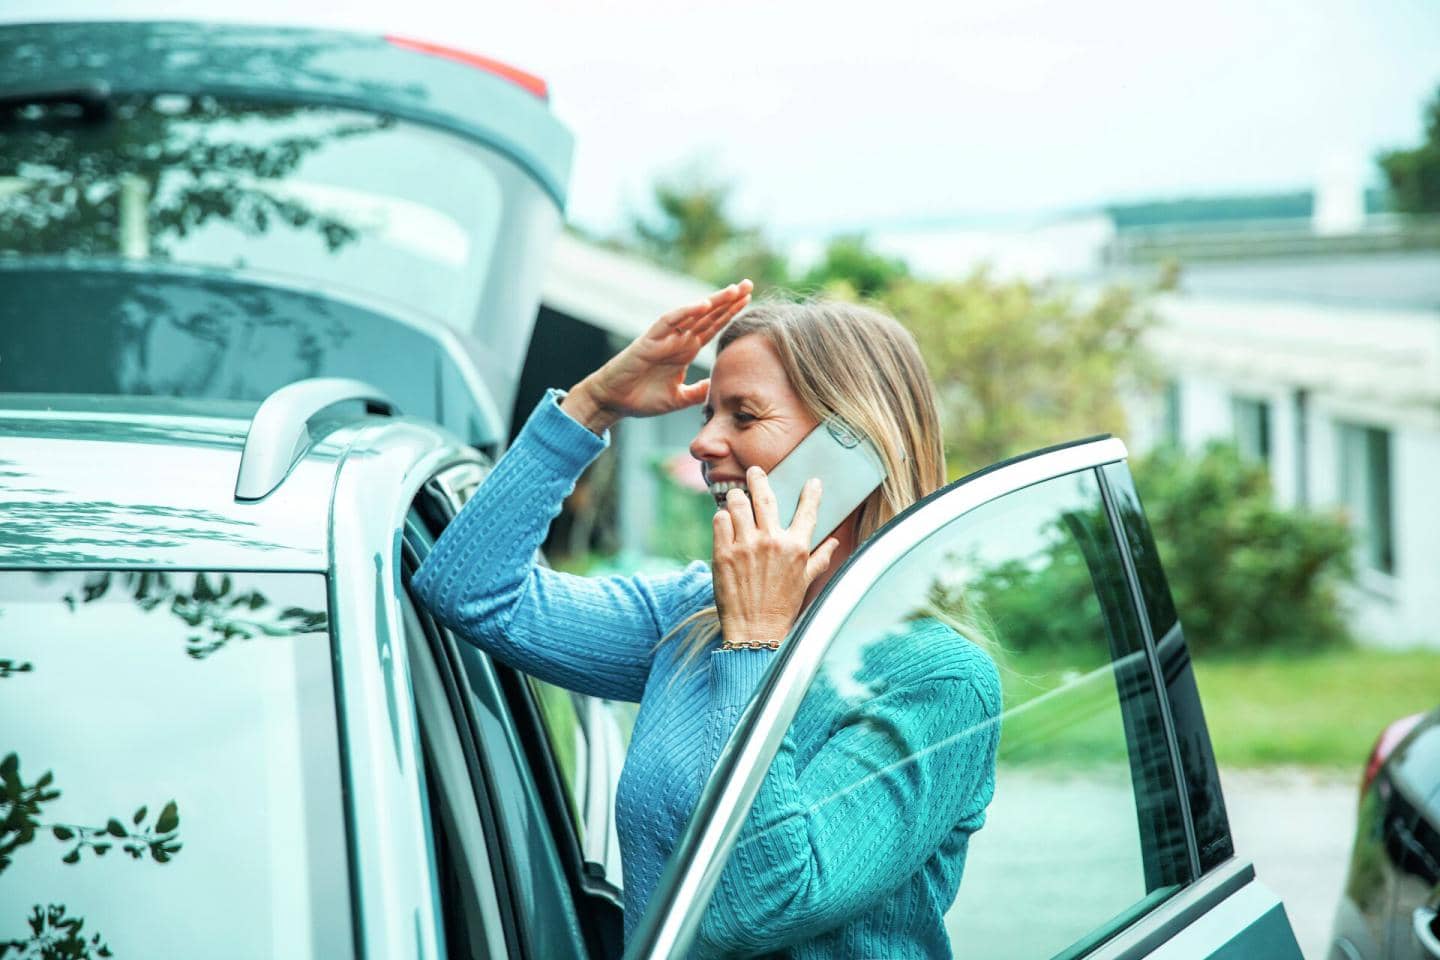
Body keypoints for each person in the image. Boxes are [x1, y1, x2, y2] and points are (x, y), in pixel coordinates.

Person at [412, 281, 1001, 959]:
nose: (704, 444)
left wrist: (754, 643)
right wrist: (593, 405)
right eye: (707, 417)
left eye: (744, 417)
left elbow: (761, 906)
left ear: (853, 447)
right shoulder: (693, 616)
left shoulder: (936, 679)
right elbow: (470, 591)